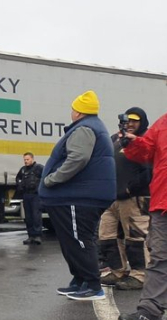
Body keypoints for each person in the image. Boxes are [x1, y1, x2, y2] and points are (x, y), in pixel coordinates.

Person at [39, 90, 115, 301]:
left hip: (79, 196)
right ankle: (80, 280)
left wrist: (52, 179)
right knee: (73, 240)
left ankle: (92, 285)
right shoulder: (91, 127)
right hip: (79, 195)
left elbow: (77, 159)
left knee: (79, 240)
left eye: (73, 108)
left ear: (78, 112)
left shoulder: (85, 128)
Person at [118, 111, 167, 320]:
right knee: (159, 257)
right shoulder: (163, 122)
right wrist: (132, 143)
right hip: (162, 203)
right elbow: (146, 152)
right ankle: (149, 311)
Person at [98, 107, 151, 290]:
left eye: (135, 121)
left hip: (134, 198)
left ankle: (139, 275)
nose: (130, 124)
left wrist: (129, 189)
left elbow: (149, 171)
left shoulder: (145, 141)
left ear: (142, 122)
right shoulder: (117, 139)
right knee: (107, 236)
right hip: (111, 198)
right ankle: (117, 270)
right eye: (128, 120)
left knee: (135, 238)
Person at [15, 152, 44, 244]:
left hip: (35, 195)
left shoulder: (39, 168)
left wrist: (40, 187)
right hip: (26, 195)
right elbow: (18, 178)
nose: (26, 161)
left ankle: (37, 236)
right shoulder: (23, 170)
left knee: (36, 216)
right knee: (28, 217)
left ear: (32, 159)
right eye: (24, 160)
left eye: (27, 159)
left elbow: (46, 177)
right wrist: (20, 185)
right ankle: (30, 236)